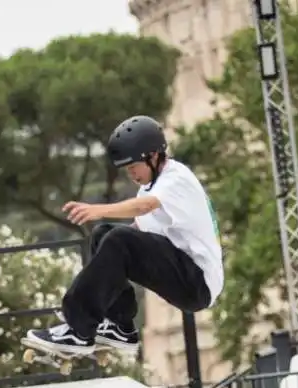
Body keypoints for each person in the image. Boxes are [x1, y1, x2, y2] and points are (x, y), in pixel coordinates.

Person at [24, 115, 223, 355]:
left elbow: (144, 207)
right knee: (104, 235)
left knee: (118, 239)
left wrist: (98, 210)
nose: (131, 175)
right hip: (181, 272)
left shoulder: (176, 179)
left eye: (132, 167)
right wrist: (108, 239)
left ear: (152, 157)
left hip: (197, 282)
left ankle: (78, 329)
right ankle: (120, 324)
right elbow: (138, 229)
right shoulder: (150, 187)